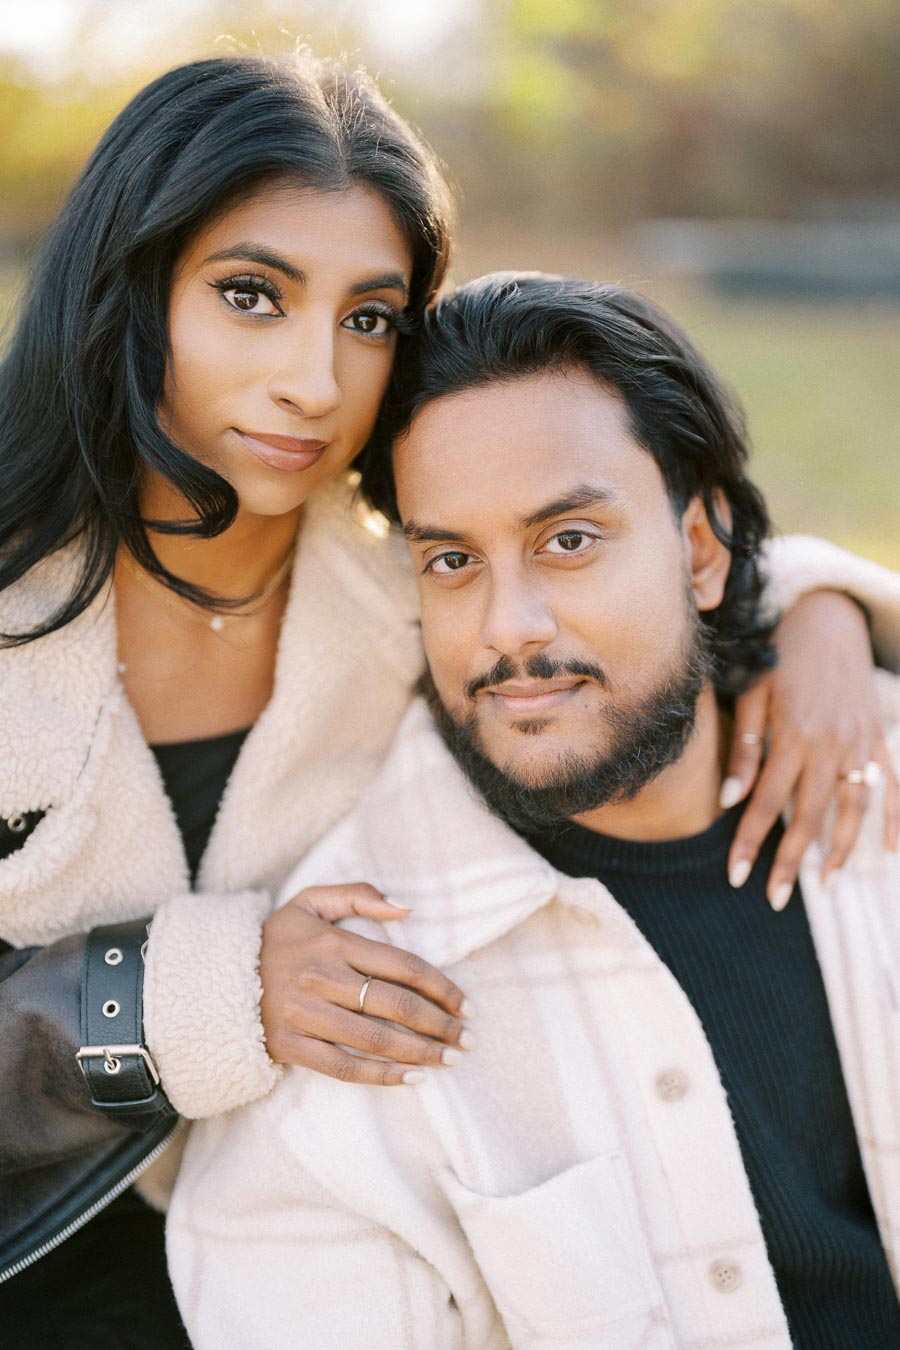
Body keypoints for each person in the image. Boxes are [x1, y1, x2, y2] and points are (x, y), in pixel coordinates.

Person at [0, 53, 892, 1342]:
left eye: (368, 318)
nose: (316, 379)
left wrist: (818, 613)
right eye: (253, 295)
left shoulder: (408, 594)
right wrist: (201, 986)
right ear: (131, 289)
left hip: (283, 1259)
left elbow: (607, 546)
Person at [167, 274, 900, 1349]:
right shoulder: (345, 1017)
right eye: (453, 561)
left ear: (701, 549)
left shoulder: (869, 766)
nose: (509, 628)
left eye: (568, 540)